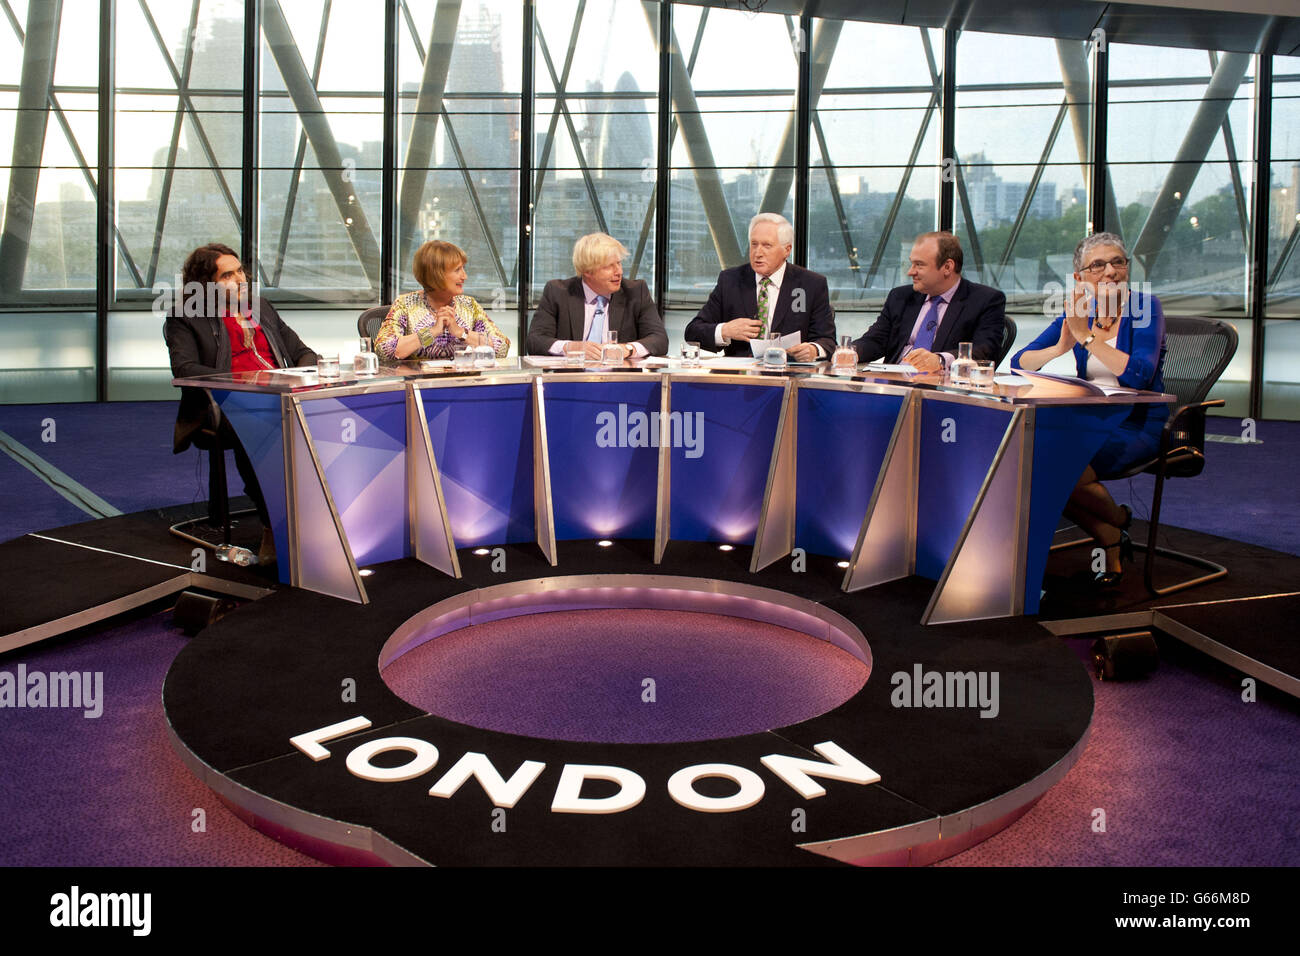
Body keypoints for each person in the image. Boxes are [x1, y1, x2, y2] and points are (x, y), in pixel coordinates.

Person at [1012, 232, 1167, 586]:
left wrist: (1086, 337)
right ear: (1080, 278)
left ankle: (1117, 526)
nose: (1110, 271)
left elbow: (1139, 375)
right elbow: (1021, 362)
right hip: (1093, 420)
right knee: (1033, 460)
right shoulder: (1081, 311)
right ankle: (1113, 530)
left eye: (1118, 262)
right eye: (1098, 265)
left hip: (1137, 423)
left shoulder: (1145, 307)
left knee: (1056, 465)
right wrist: (1057, 348)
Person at [163, 242, 317, 565]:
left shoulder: (260, 306)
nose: (240, 279)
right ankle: (275, 527)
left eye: (240, 271)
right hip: (225, 404)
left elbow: (303, 351)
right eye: (228, 275)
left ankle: (319, 519)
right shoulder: (186, 316)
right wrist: (247, 383)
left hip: (283, 396)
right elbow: (185, 369)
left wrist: (302, 371)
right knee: (262, 427)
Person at [684, 213, 836, 361]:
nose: (758, 253)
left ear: (787, 250)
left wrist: (813, 349)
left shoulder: (811, 284)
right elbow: (693, 331)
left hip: (790, 374)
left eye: (767, 245)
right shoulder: (730, 280)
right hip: (739, 378)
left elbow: (827, 342)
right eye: (754, 244)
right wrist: (725, 330)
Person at [851, 231, 1005, 371]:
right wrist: (851, 353)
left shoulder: (985, 300)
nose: (910, 272)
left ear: (947, 267)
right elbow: (875, 340)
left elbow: (985, 350)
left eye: (919, 265)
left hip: (942, 390)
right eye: (911, 263)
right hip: (893, 382)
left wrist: (940, 360)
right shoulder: (900, 297)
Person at [527, 233, 668, 359]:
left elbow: (659, 340)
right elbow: (535, 340)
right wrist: (570, 347)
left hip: (621, 383)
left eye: (618, 263)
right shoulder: (558, 292)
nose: (618, 272)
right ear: (587, 271)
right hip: (570, 382)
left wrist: (627, 349)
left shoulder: (636, 292)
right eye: (609, 266)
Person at [375, 240, 511, 361]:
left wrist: (461, 333)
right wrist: (432, 332)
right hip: (420, 384)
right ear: (436, 274)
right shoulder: (406, 304)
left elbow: (501, 347)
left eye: (463, 268)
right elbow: (384, 350)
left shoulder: (469, 305)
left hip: (463, 382)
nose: (465, 276)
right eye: (457, 270)